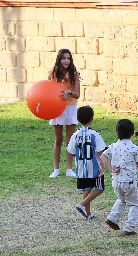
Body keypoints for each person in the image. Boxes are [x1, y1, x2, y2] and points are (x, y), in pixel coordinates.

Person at [100, 119, 138, 235]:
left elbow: (103, 157)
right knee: (135, 204)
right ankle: (129, 228)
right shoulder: (134, 148)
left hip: (116, 182)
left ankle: (112, 218)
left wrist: (111, 169)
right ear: (133, 133)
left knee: (122, 200)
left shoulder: (113, 146)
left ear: (116, 132)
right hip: (129, 182)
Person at [67, 106, 106, 220]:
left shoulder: (75, 135)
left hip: (81, 168)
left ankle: (88, 214)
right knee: (99, 189)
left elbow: (71, 151)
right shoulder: (95, 134)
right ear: (92, 118)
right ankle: (82, 204)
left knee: (86, 189)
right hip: (94, 168)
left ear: (77, 119)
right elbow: (100, 153)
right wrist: (102, 167)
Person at [48, 49, 81, 178]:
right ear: (59, 59)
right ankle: (56, 169)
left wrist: (69, 93)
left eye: (68, 58)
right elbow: (48, 91)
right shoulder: (53, 74)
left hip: (70, 107)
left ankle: (69, 169)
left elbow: (77, 95)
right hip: (57, 108)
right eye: (63, 58)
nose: (66, 61)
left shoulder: (75, 74)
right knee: (58, 140)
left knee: (70, 140)